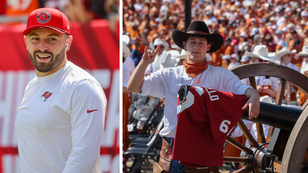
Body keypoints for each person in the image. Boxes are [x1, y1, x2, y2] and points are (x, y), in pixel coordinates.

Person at [128, 21, 260, 172]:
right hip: (172, 146)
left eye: (201, 43)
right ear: (185, 45)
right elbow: (134, 87)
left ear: (208, 47)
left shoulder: (220, 75)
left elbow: (243, 89)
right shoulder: (169, 74)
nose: (196, 47)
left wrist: (254, 94)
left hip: (202, 145)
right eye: (192, 42)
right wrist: (144, 63)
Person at [16, 7, 107, 173]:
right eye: (35, 38)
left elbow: (84, 157)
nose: (42, 47)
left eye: (52, 39)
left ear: (68, 42)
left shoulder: (82, 86)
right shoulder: (32, 85)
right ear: (26, 42)